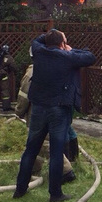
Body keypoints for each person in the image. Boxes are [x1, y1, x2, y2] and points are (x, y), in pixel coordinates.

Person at [14, 30, 95, 202]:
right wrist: (69, 49)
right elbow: (90, 57)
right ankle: (55, 193)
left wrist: (54, 36)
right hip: (58, 109)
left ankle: (20, 189)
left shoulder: (38, 51)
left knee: (31, 149)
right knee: (57, 152)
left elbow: (37, 39)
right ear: (62, 44)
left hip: (38, 108)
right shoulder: (67, 57)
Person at [15, 55, 75, 183]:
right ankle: (33, 167)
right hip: (58, 110)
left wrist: (19, 111)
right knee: (36, 141)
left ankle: (66, 171)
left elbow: (24, 96)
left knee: (43, 143)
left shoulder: (32, 72)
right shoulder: (58, 67)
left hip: (39, 112)